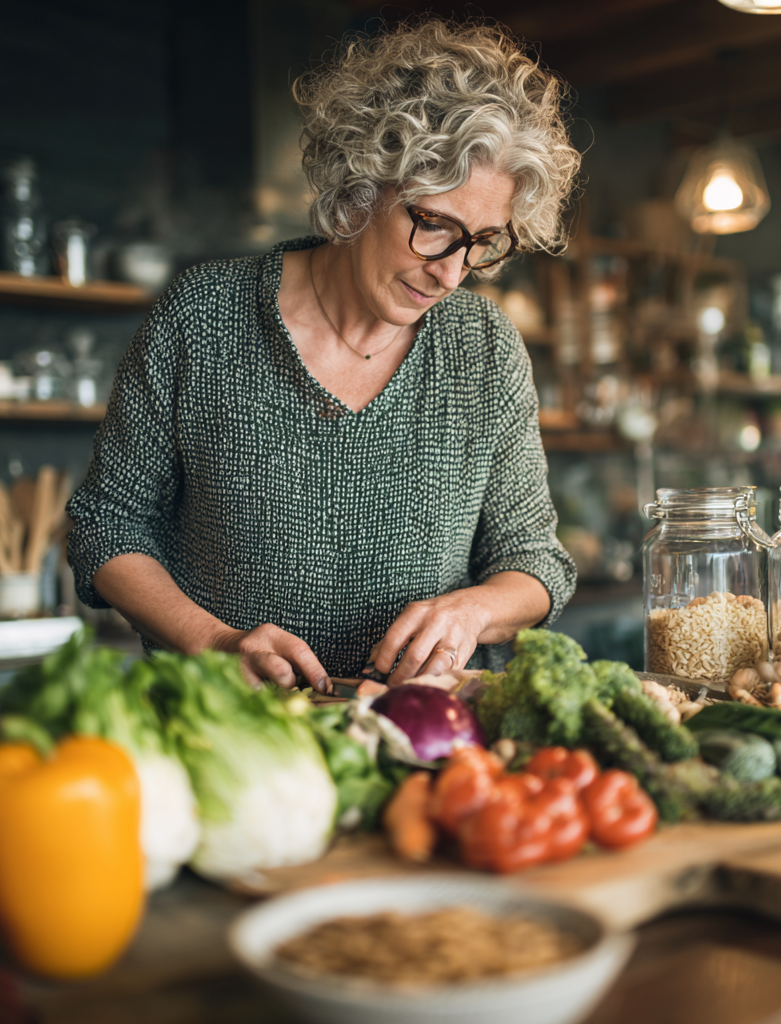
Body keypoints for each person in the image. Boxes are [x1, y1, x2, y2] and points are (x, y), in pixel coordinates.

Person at [66, 19, 581, 694]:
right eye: (433, 226)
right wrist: (213, 641)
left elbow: (534, 561)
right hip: (233, 735)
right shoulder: (202, 318)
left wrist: (473, 612)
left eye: (482, 242)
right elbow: (106, 527)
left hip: (423, 739)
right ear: (362, 185)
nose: (451, 273)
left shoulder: (484, 347)